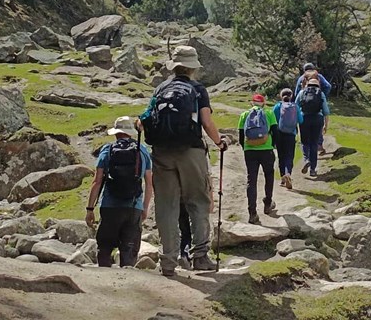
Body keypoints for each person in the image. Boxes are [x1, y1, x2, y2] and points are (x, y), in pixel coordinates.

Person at [140, 45, 228, 276]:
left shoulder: (161, 88)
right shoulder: (198, 89)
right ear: (193, 68)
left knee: (166, 206)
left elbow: (145, 118)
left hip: (161, 152)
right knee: (198, 202)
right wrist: (220, 142)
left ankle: (168, 262)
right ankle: (200, 257)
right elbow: (206, 123)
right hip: (191, 151)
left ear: (175, 66)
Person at [85, 116, 153, 267]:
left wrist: (90, 209)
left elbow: (97, 182)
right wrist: (145, 208)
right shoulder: (142, 150)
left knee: (104, 248)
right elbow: (149, 183)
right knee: (129, 250)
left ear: (116, 133)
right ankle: (126, 282)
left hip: (110, 206)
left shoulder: (107, 150)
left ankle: (103, 281)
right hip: (134, 206)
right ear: (130, 132)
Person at [237, 93, 278, 224]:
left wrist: (246, 148)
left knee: (251, 180)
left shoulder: (244, 115)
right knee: (269, 175)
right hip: (266, 150)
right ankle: (267, 203)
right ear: (264, 103)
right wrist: (271, 145)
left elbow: (241, 136)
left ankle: (252, 213)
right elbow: (275, 131)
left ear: (252, 103)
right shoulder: (269, 113)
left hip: (250, 151)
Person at [296, 76, 330, 178]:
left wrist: (296, 121)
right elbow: (326, 111)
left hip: (304, 118)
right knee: (314, 144)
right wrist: (326, 125)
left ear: (308, 84)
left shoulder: (302, 93)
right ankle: (313, 170)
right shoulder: (321, 94)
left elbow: (296, 107)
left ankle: (306, 159)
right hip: (317, 119)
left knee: (305, 142)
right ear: (318, 85)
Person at [295, 63, 332, 155]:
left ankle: (306, 154)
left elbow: (296, 92)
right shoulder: (319, 76)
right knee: (318, 125)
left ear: (304, 70)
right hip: (318, 106)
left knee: (305, 130)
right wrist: (322, 96)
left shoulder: (302, 78)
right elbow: (328, 86)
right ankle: (319, 145)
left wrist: (302, 98)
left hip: (304, 109)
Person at [272, 87, 302, 189]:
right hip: (291, 134)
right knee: (289, 156)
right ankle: (288, 173)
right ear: (291, 96)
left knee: (281, 156)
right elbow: (301, 120)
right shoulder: (295, 107)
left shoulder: (277, 107)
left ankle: (282, 178)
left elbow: (273, 120)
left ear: (281, 96)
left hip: (279, 134)